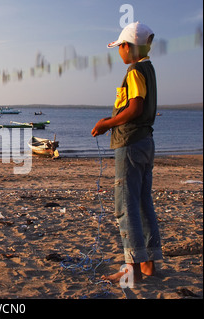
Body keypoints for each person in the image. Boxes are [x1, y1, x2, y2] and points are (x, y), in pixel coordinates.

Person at [91, 22, 162, 283]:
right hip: (146, 143)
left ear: (128, 47)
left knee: (126, 205)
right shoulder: (149, 69)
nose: (119, 53)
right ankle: (149, 265)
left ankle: (132, 267)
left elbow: (134, 109)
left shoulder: (134, 71)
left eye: (120, 47)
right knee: (143, 202)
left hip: (130, 144)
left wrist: (104, 124)